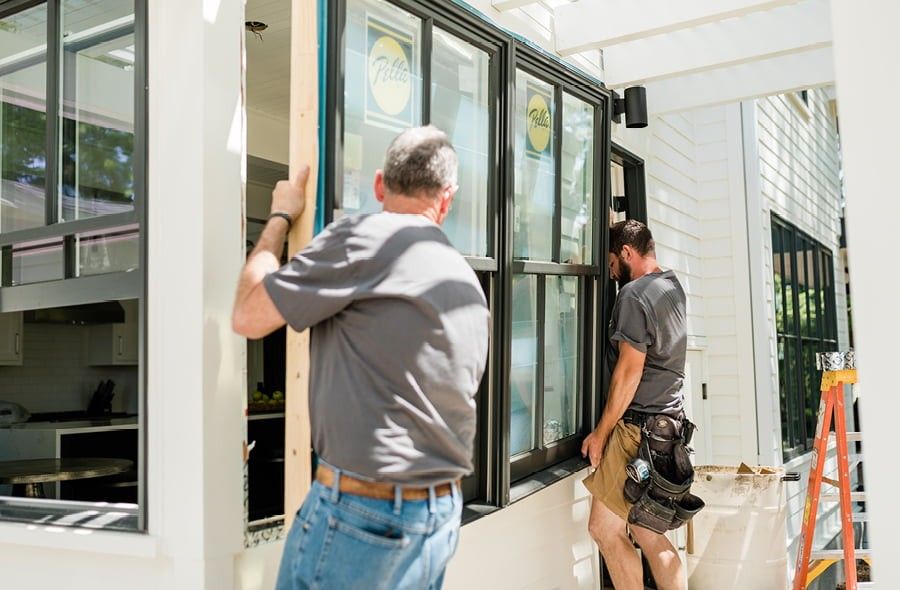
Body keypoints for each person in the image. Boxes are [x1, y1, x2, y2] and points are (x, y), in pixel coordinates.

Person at [232, 125, 490, 590]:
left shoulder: (365, 238)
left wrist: (279, 216)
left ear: (378, 185)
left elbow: (248, 315)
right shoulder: (464, 281)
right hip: (438, 515)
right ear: (447, 199)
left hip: (364, 513)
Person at [581, 219, 688, 590]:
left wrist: (600, 433)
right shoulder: (671, 288)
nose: (613, 275)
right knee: (648, 531)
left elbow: (628, 374)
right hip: (669, 428)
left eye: (612, 265)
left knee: (604, 529)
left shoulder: (634, 295)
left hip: (636, 431)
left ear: (626, 253)